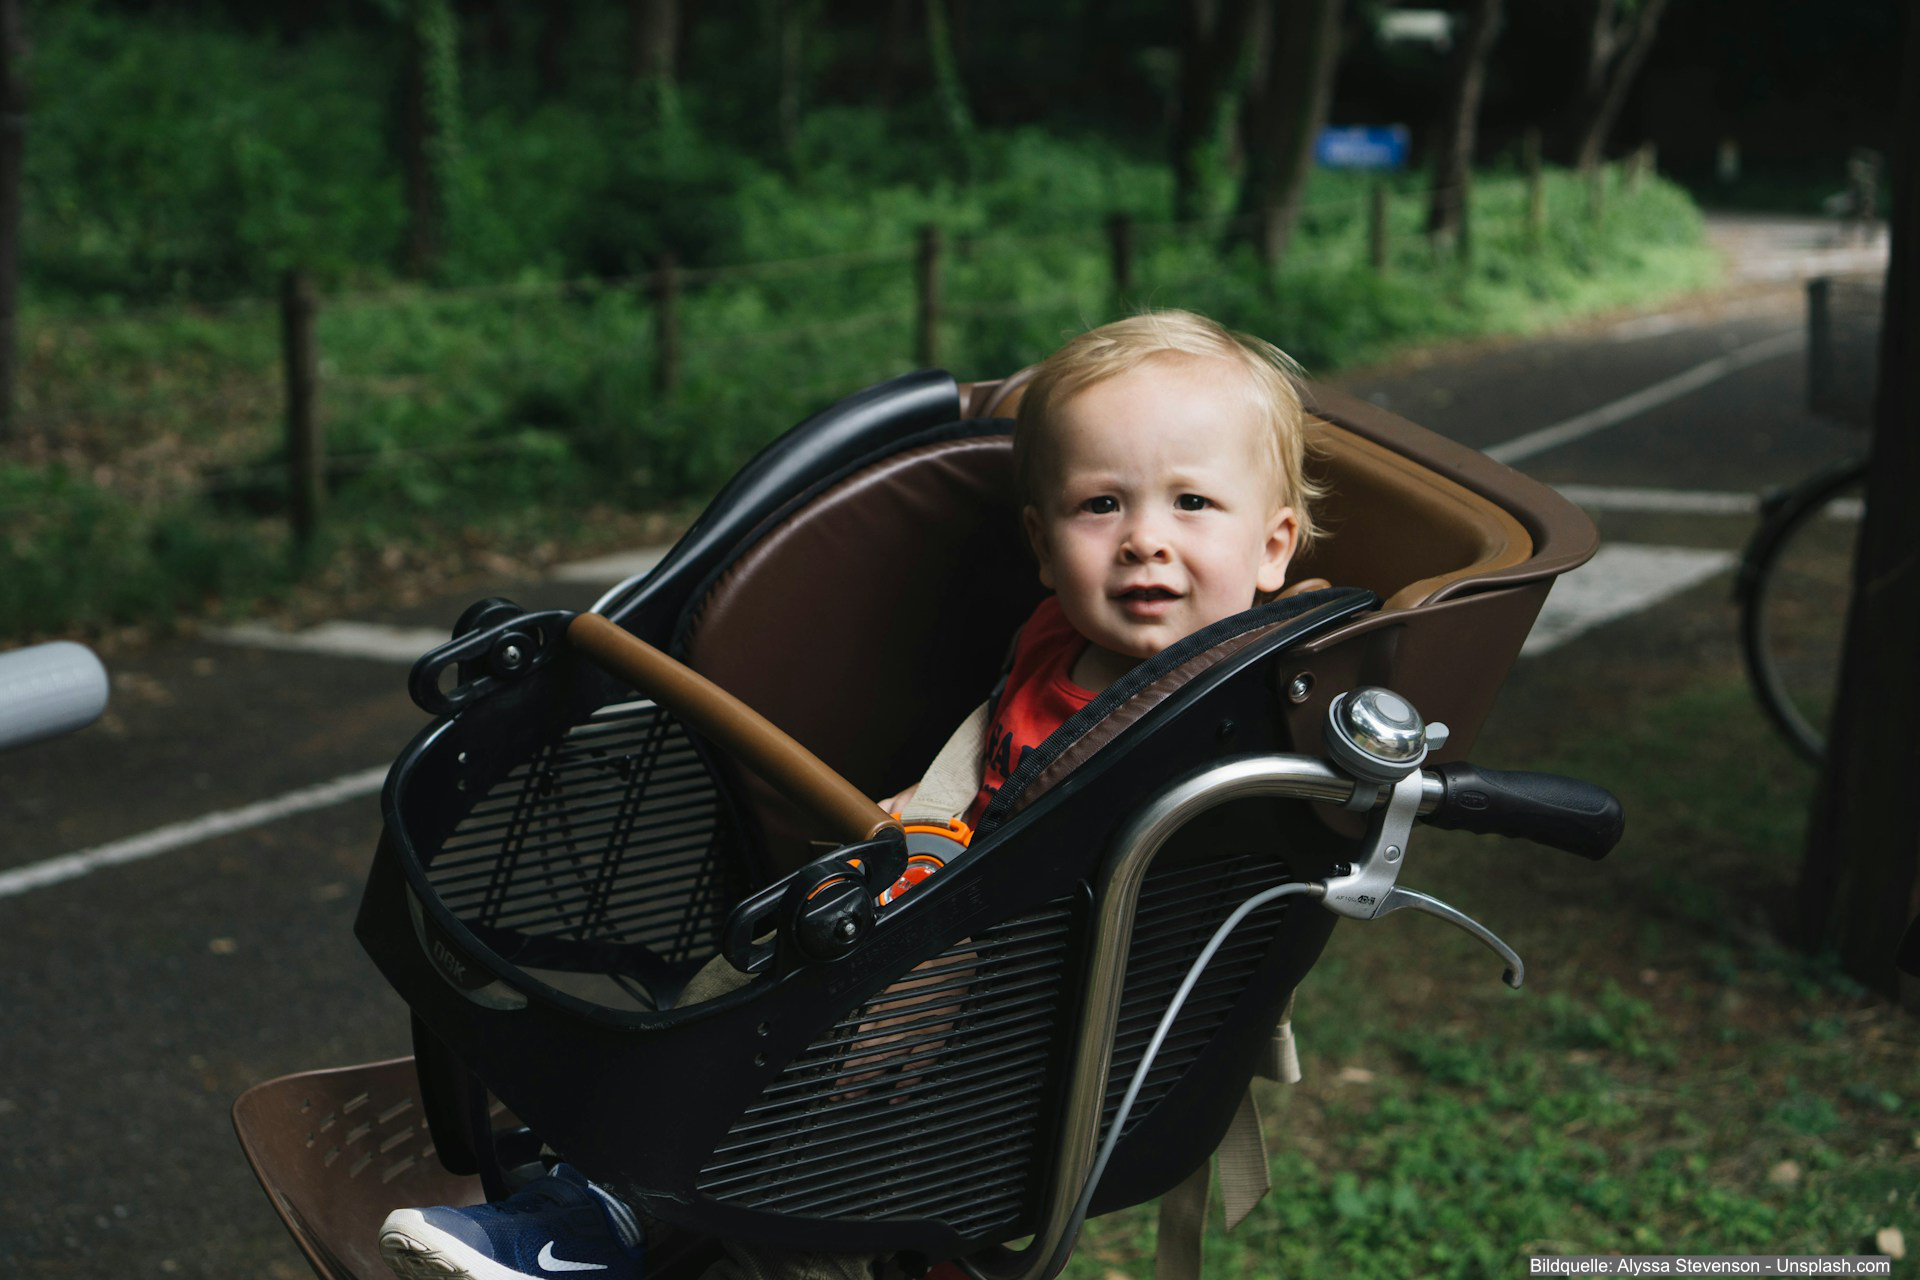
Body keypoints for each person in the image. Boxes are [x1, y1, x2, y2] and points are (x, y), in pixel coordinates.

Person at [376, 309, 1325, 1280]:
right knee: (725, 1028)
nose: (1143, 542)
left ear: (1272, 545)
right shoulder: (1057, 635)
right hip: (903, 920)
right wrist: (925, 811)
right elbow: (996, 743)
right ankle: (605, 1197)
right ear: (1042, 546)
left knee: (748, 1093)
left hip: (1004, 1012)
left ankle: (583, 1223)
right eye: (1101, 505)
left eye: (1194, 503)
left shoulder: (1220, 711)